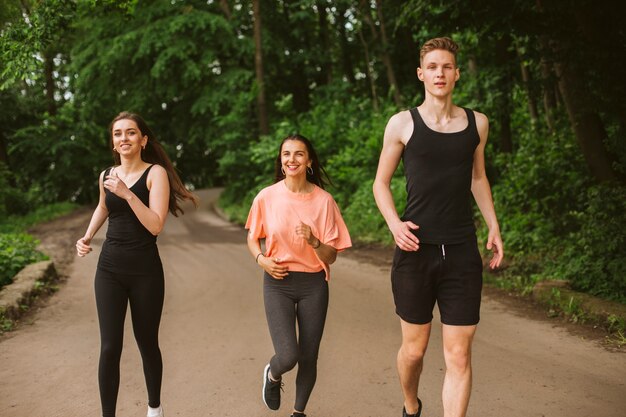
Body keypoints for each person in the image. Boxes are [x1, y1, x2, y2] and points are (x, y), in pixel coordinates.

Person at [373, 37, 504, 417]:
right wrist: (395, 224)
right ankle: (411, 404)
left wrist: (493, 226)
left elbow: (477, 178)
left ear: (457, 73)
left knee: (459, 355)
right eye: (432, 67)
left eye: (447, 66)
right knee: (413, 351)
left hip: (462, 251)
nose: (440, 73)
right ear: (420, 74)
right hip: (416, 250)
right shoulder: (402, 124)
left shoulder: (477, 124)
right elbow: (380, 183)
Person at [76, 111, 197, 417]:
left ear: (143, 140)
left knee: (146, 342)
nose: (124, 138)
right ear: (113, 143)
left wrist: (128, 194)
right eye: (118, 134)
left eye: (131, 133)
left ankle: (154, 408)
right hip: (109, 269)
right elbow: (103, 206)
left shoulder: (155, 174)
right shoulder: (106, 175)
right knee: (109, 347)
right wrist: (87, 236)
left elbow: (155, 225)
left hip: (145, 271)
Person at [246, 134, 351, 417]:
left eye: (299, 154)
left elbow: (332, 256)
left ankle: (298, 412)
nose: (291, 159)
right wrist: (261, 260)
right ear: (280, 161)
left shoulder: (325, 202)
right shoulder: (267, 197)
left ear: (309, 162)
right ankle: (273, 373)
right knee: (288, 356)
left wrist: (315, 241)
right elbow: (253, 238)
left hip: (313, 284)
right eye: (286, 154)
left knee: (308, 356)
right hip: (278, 281)